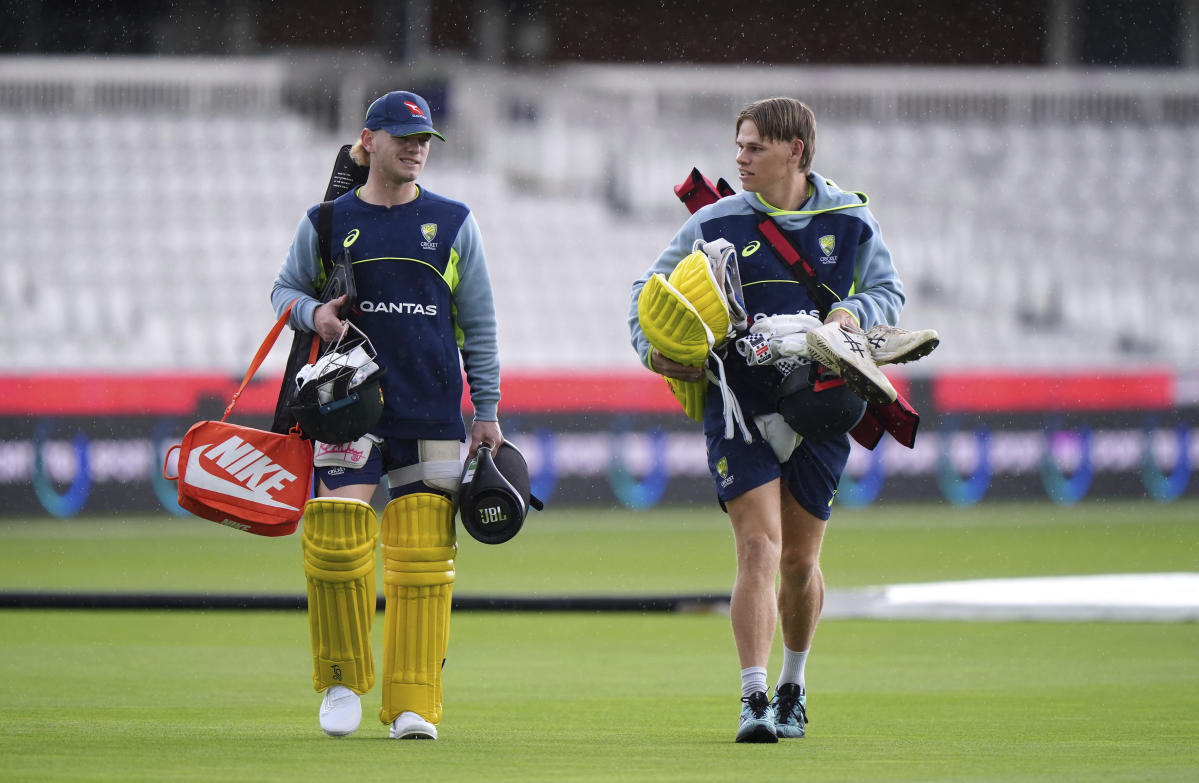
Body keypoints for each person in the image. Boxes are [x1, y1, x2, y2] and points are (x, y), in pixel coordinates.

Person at [628, 97, 933, 743]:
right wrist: (654, 350)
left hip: (824, 403)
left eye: (753, 147)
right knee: (757, 547)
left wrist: (847, 315)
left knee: (798, 561)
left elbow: (888, 294)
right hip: (737, 405)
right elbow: (648, 294)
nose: (738, 158)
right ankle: (753, 697)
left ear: (794, 150)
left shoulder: (848, 220)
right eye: (737, 146)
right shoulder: (714, 220)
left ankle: (793, 686)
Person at [271, 90, 502, 741]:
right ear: (367, 140)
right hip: (346, 407)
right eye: (402, 135)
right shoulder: (326, 220)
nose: (416, 146)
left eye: (424, 136)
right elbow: (283, 288)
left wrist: (485, 409)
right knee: (337, 541)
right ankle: (342, 680)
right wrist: (311, 312)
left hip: (431, 409)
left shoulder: (455, 222)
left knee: (424, 557)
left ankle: (413, 701)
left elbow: (478, 323)